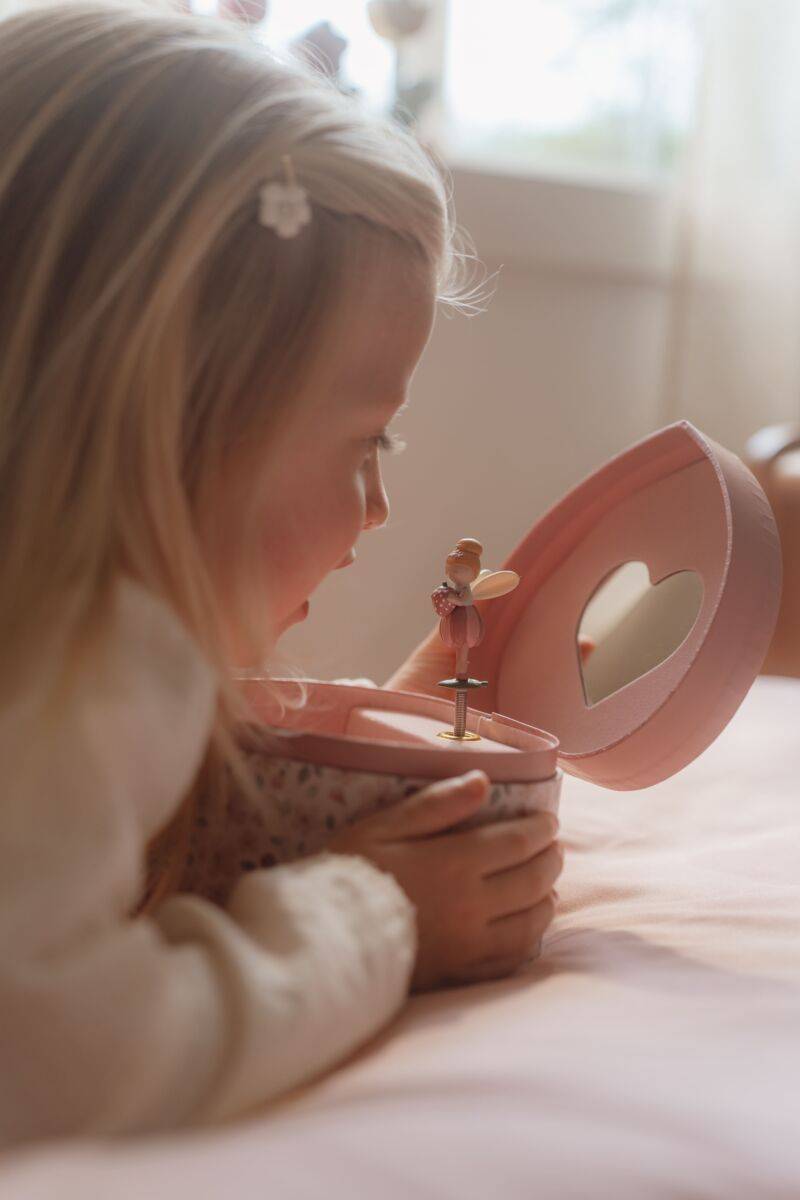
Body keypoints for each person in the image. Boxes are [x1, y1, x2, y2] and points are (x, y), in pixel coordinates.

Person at [0, 0, 563, 1146]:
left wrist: (376, 748)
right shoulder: (96, 654)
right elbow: (58, 1048)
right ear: (170, 419)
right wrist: (376, 915)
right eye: (367, 444)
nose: (379, 505)